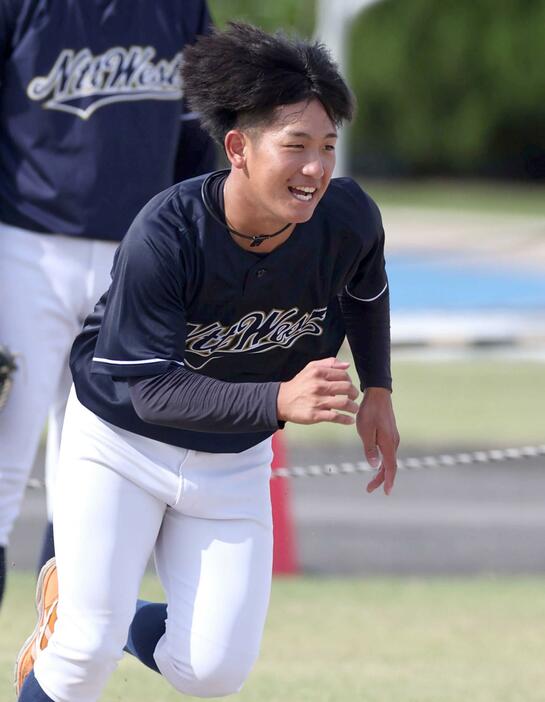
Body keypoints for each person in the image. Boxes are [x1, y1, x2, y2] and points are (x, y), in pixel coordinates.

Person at [15, 21, 400, 702]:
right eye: (295, 146)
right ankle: (80, 620)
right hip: (120, 443)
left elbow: (364, 290)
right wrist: (279, 400)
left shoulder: (347, 219)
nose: (315, 168)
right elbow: (150, 391)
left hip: (232, 458)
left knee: (213, 672)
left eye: (327, 148)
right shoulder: (166, 234)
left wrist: (378, 390)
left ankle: (85, 607)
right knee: (83, 654)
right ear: (238, 148)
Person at [0, 0, 216, 603]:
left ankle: (50, 674)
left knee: (94, 472)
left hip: (136, 256)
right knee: (3, 457)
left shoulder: (180, 9)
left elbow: (201, 139)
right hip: (23, 246)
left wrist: (192, 254)